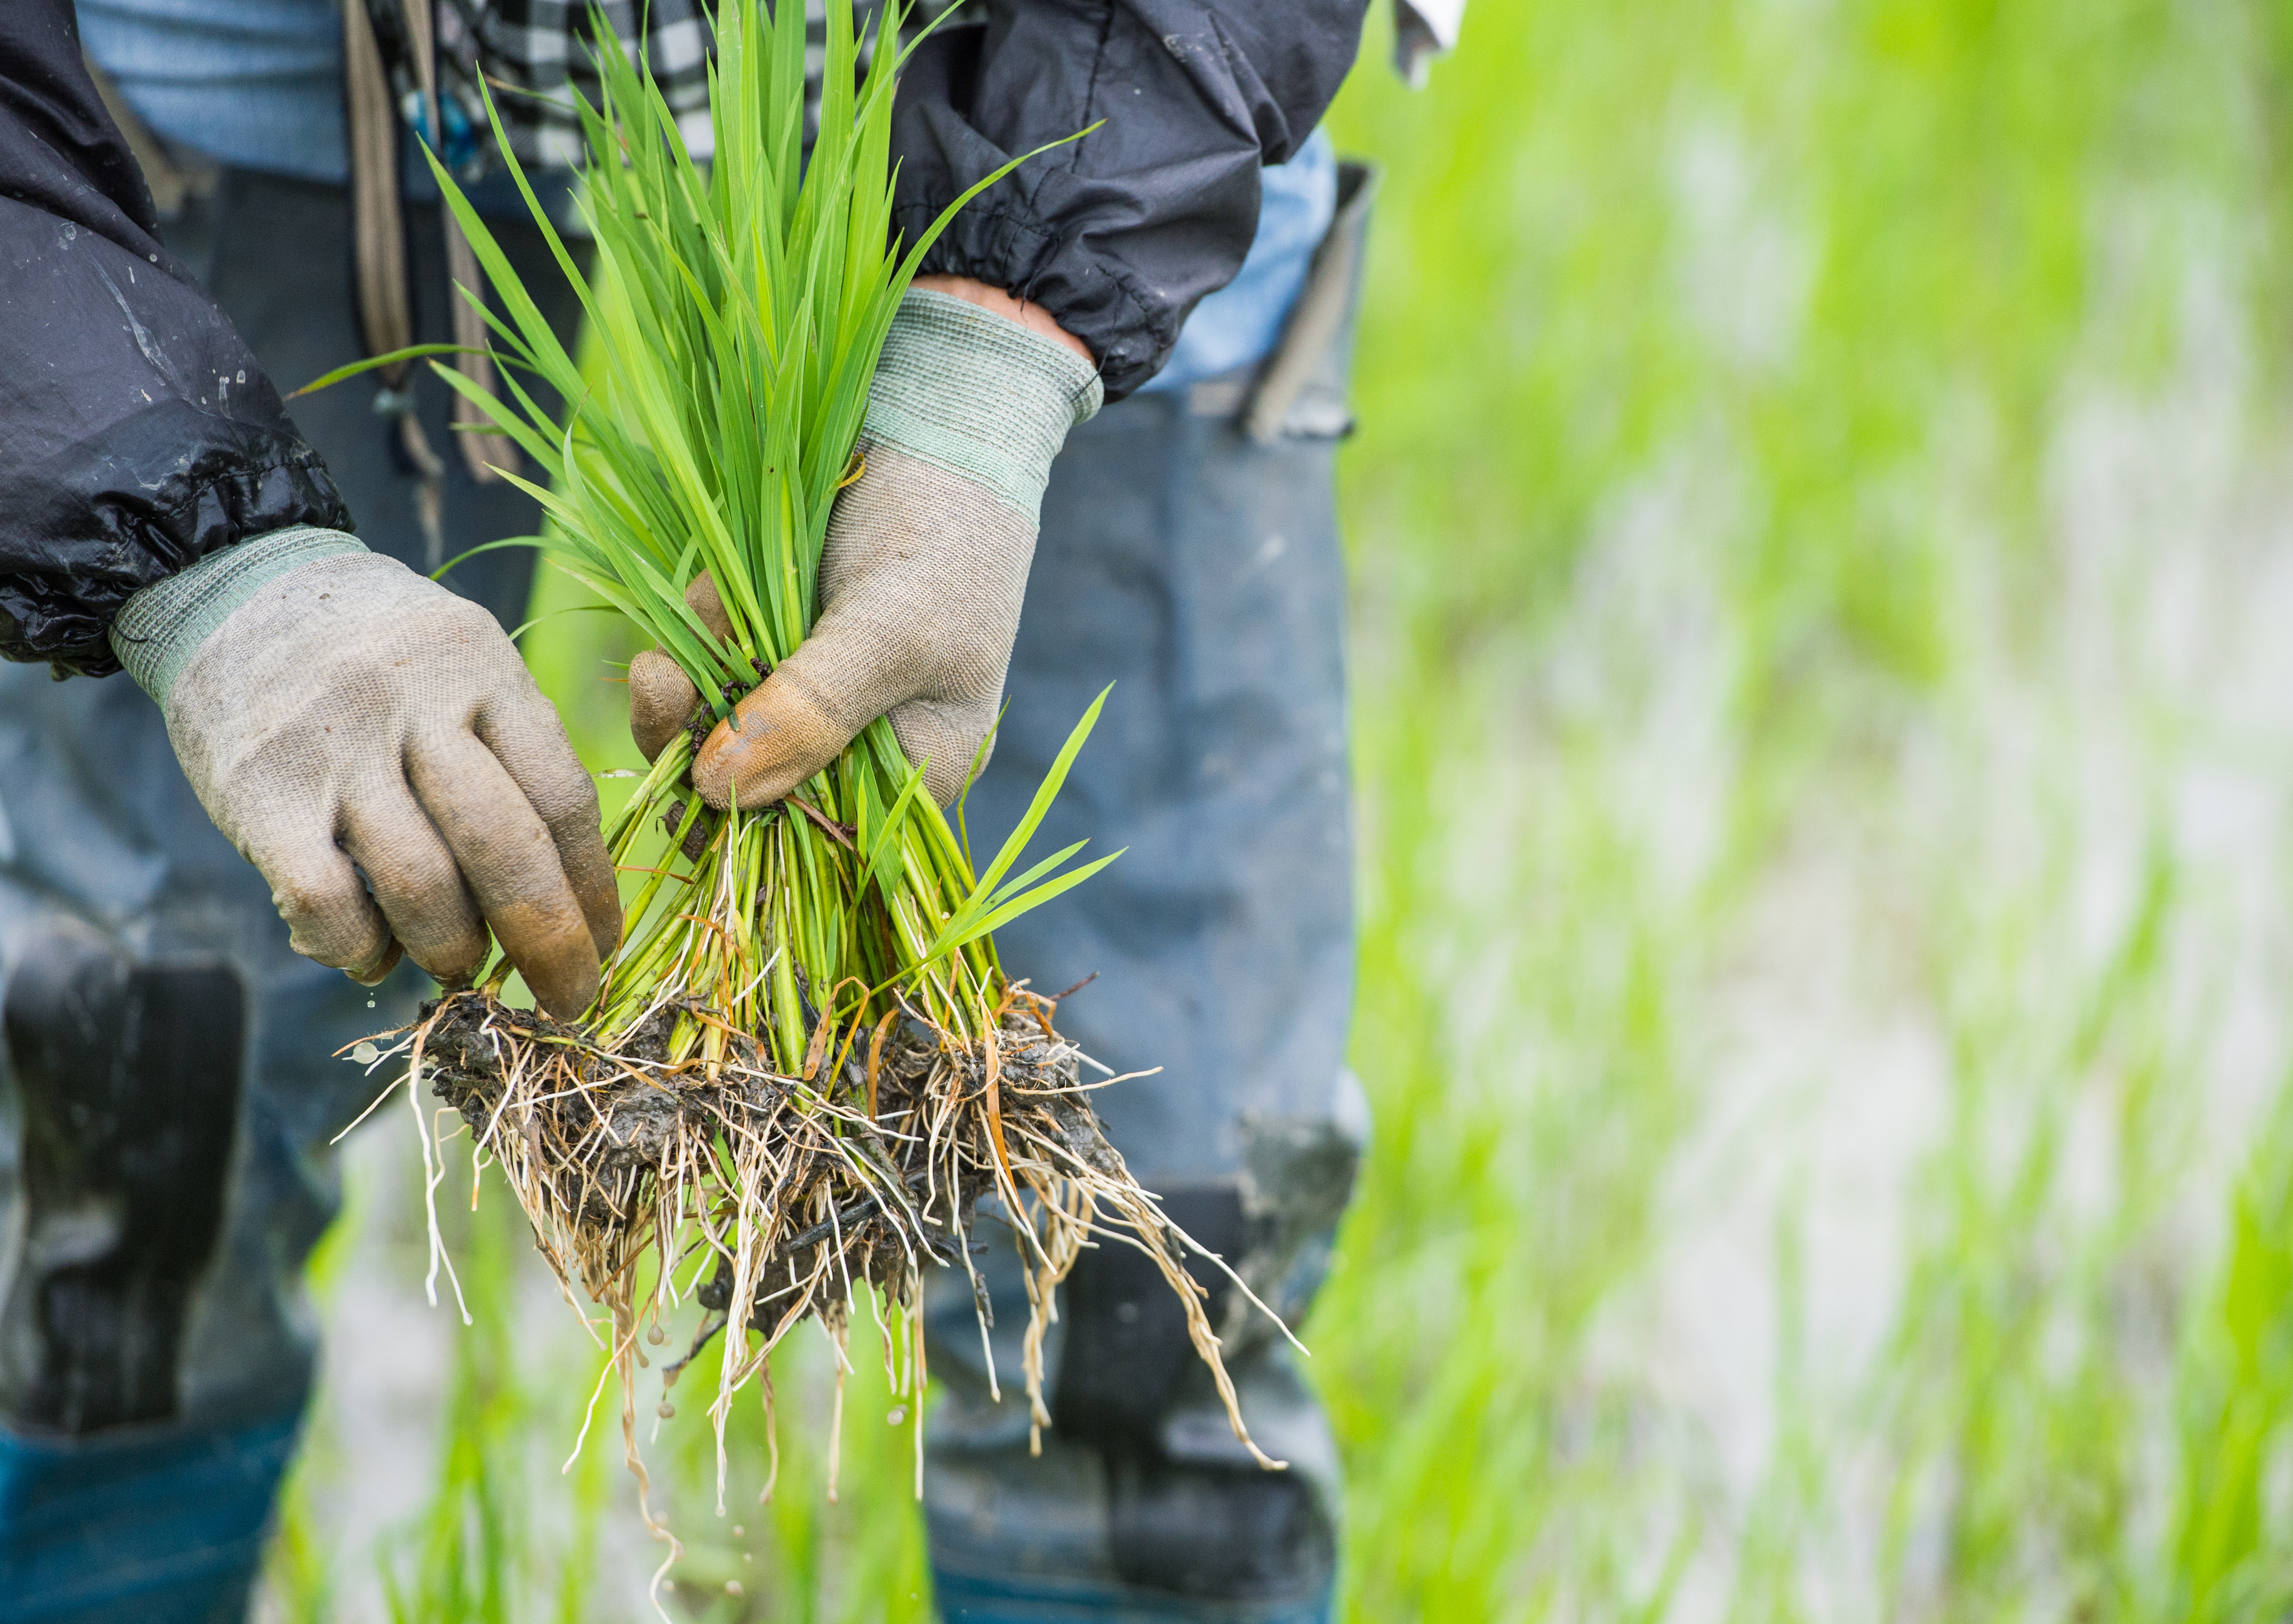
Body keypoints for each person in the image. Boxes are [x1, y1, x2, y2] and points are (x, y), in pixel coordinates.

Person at [0, 1, 1456, 1618]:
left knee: (1147, 1255)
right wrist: (189, 552)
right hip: (256, 68)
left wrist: (1004, 348)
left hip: (1085, 86)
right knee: (130, 1129)